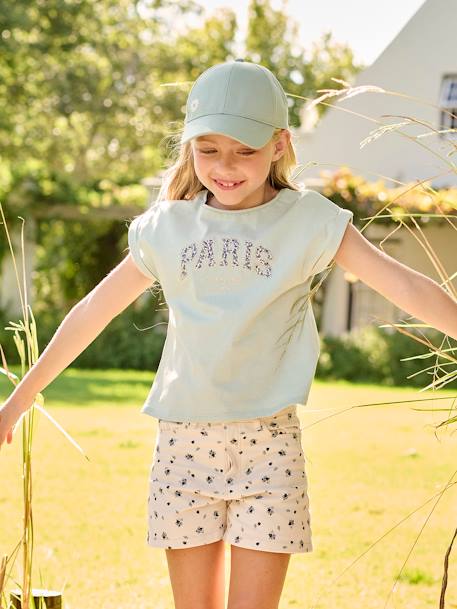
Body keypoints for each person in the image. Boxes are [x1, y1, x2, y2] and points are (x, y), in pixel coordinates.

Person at [1, 59, 456, 609]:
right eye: (208, 149)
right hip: (183, 449)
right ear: (190, 145)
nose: (226, 166)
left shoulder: (310, 220)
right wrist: (19, 399)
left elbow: (405, 286)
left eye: (245, 150)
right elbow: (93, 311)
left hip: (270, 448)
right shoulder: (167, 226)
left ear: (280, 144)